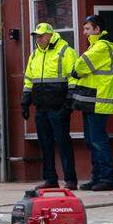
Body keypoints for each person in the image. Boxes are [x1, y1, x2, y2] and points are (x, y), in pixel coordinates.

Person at [20, 22, 78, 190]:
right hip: (41, 107)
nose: (38, 39)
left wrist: (69, 101)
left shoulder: (66, 51)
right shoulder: (34, 55)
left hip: (59, 106)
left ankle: (70, 180)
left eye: (41, 36)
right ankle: (50, 179)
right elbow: (29, 80)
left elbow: (73, 78)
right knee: (45, 143)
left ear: (51, 35)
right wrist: (25, 101)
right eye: (36, 36)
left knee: (63, 143)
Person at [70, 14, 113, 191]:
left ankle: (106, 179)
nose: (84, 33)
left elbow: (79, 66)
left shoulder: (101, 47)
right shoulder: (97, 46)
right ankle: (97, 177)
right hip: (91, 100)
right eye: (84, 29)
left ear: (98, 29)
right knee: (92, 141)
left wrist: (77, 70)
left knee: (98, 141)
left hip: (98, 102)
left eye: (87, 29)